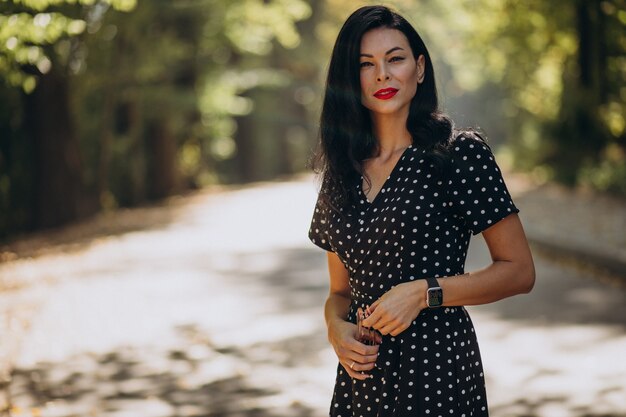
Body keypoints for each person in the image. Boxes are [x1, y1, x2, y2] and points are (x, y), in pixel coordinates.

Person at [308, 5, 535, 416]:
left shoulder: (459, 155)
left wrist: (424, 292)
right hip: (362, 380)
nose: (382, 74)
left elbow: (519, 270)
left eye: (395, 58)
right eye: (366, 64)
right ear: (350, 79)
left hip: (437, 373)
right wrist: (335, 330)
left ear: (420, 67)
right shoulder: (340, 172)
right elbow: (339, 293)